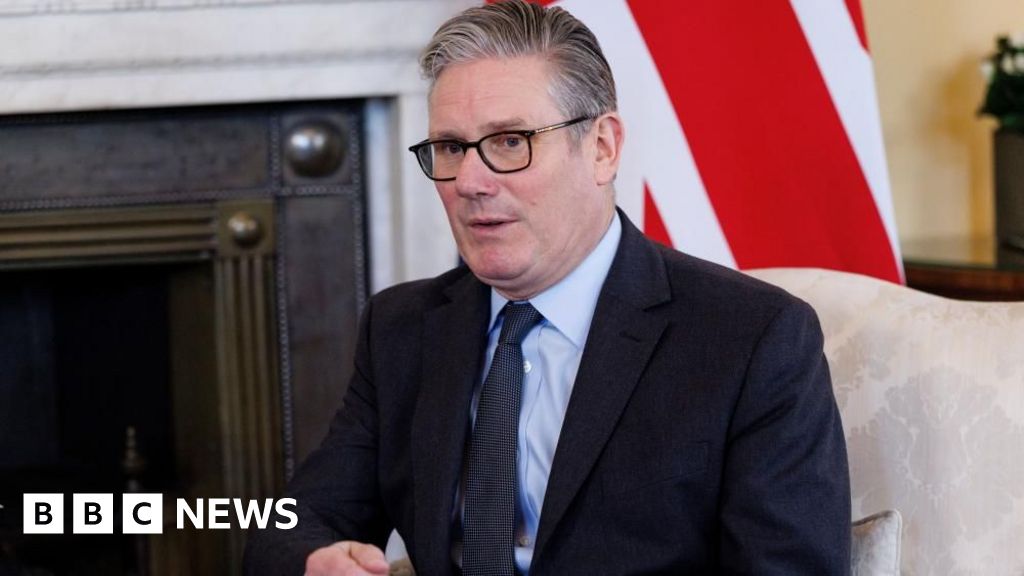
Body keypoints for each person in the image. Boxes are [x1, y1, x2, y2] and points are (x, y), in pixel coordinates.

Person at [244, 1, 851, 574]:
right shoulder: (401, 328)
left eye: (511, 142)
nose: (471, 181)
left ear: (602, 148)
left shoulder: (750, 339)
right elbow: (291, 522)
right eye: (451, 147)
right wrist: (313, 558)